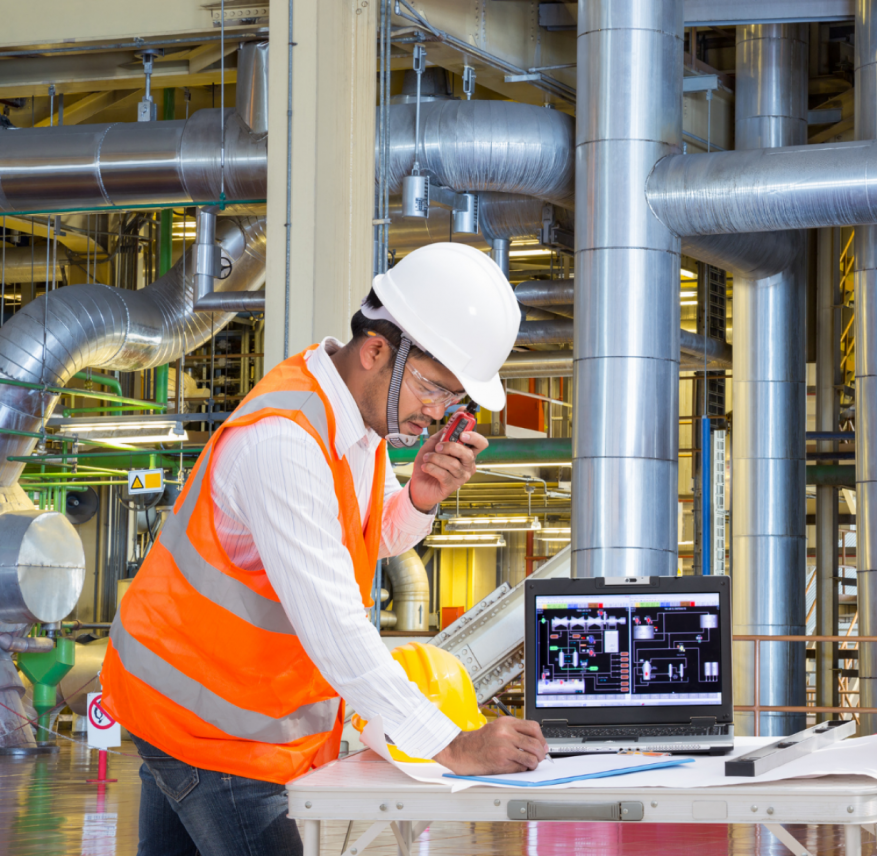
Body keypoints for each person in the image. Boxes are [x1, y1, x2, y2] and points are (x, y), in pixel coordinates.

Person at [100, 243, 546, 856]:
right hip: (218, 729)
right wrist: (450, 742)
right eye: (436, 390)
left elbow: (369, 534)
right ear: (376, 351)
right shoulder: (286, 443)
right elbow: (335, 625)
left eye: (454, 403)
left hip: (195, 709)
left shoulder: (356, 426)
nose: (439, 415)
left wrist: (420, 495)